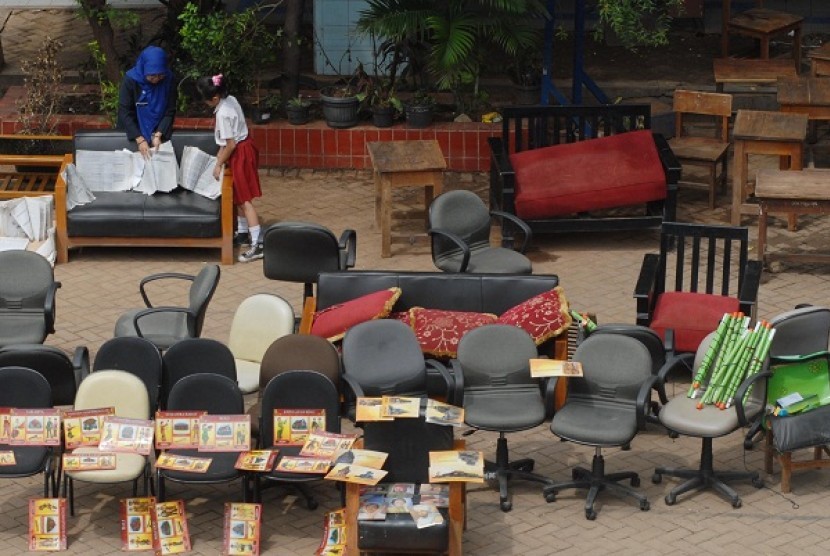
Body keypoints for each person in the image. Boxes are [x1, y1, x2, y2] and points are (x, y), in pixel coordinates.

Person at [196, 74, 264, 263]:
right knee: (236, 194)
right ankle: (242, 232)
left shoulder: (223, 113)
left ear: (215, 98)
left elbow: (231, 144)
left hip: (240, 152)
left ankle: (257, 243)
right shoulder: (230, 99)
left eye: (206, 99)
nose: (205, 102)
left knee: (244, 200)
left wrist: (218, 164)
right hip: (244, 148)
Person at [117, 46, 176, 160]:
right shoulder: (130, 80)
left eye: (160, 75)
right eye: (152, 75)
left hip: (158, 133)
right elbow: (125, 111)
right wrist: (140, 139)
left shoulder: (169, 79)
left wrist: (158, 134)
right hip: (132, 133)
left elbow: (170, 110)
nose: (157, 79)